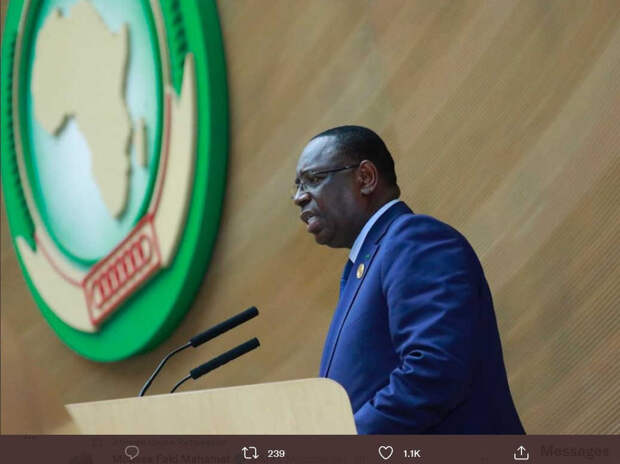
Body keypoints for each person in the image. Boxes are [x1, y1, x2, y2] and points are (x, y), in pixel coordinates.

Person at [292, 125, 525, 434]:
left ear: (365, 178)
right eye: (297, 185)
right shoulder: (360, 269)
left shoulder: (412, 239)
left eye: (313, 179)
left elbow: (434, 369)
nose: (299, 197)